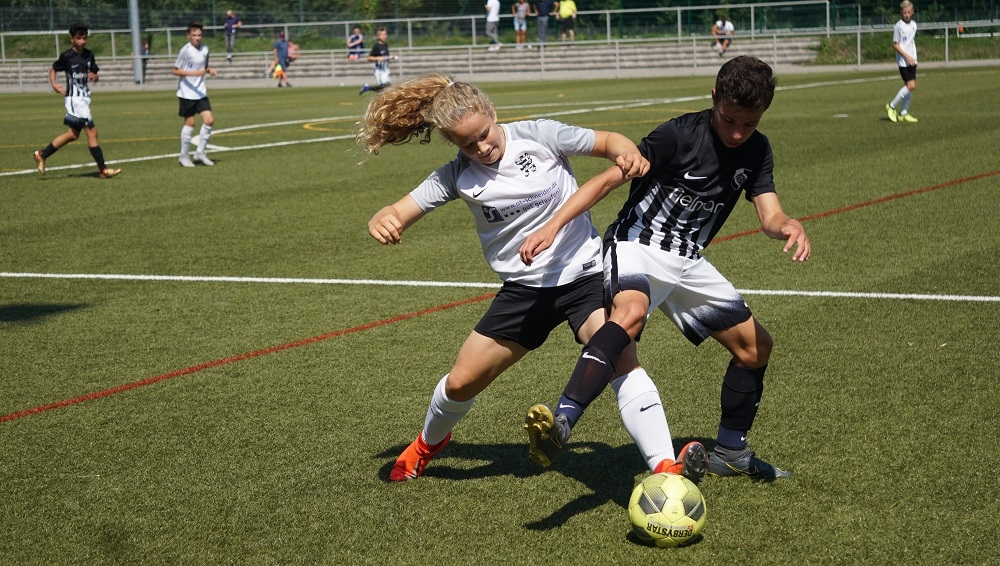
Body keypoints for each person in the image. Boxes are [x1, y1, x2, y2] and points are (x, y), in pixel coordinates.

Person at [360, 73, 708, 483]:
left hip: (585, 277)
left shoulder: (539, 135)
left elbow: (608, 141)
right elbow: (396, 211)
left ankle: (665, 465)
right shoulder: (457, 176)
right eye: (467, 144)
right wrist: (382, 220)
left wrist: (626, 151)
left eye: (484, 135)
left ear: (493, 113)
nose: (481, 147)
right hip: (525, 293)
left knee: (620, 357)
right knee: (460, 383)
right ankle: (426, 444)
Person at [519, 56, 811, 482]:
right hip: (636, 244)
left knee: (755, 349)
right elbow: (608, 180)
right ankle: (562, 423)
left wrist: (787, 224)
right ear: (714, 97)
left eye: (748, 124)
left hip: (688, 260)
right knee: (630, 313)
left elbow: (770, 215)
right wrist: (553, 226)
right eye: (729, 119)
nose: (736, 133)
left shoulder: (757, 149)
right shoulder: (678, 134)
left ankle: (732, 452)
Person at [32, 22, 120, 179]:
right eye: (78, 38)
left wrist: (95, 77)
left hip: (84, 99)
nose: (82, 41)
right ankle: (103, 170)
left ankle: (42, 154)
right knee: (92, 132)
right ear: (71, 39)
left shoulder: (89, 55)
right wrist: (54, 84)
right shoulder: (67, 57)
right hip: (74, 100)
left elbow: (95, 75)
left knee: (73, 134)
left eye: (84, 38)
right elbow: (53, 69)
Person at [173, 21, 218, 167]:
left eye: (199, 35)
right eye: (194, 35)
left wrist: (209, 69)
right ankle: (183, 156)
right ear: (188, 35)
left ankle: (200, 153)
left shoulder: (205, 49)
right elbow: (175, 70)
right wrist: (194, 73)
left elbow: (204, 66)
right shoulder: (185, 50)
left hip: (200, 91)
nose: (197, 38)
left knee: (209, 120)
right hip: (186, 93)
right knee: (190, 123)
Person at [885, 1, 919, 123]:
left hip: (912, 60)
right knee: (911, 85)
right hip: (903, 61)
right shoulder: (898, 26)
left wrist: (914, 58)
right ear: (901, 12)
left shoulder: (914, 25)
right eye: (904, 13)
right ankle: (891, 105)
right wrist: (907, 56)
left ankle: (903, 113)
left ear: (912, 12)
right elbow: (895, 45)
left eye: (908, 12)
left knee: (908, 87)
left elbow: (911, 43)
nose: (906, 15)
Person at [359, 28, 395, 95]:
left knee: (386, 88)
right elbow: (369, 58)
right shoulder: (376, 46)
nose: (384, 36)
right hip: (380, 70)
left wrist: (391, 57)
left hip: (386, 69)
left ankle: (367, 87)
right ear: (378, 36)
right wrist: (378, 58)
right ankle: (368, 88)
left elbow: (385, 57)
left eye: (385, 34)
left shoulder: (385, 45)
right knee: (385, 88)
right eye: (381, 35)